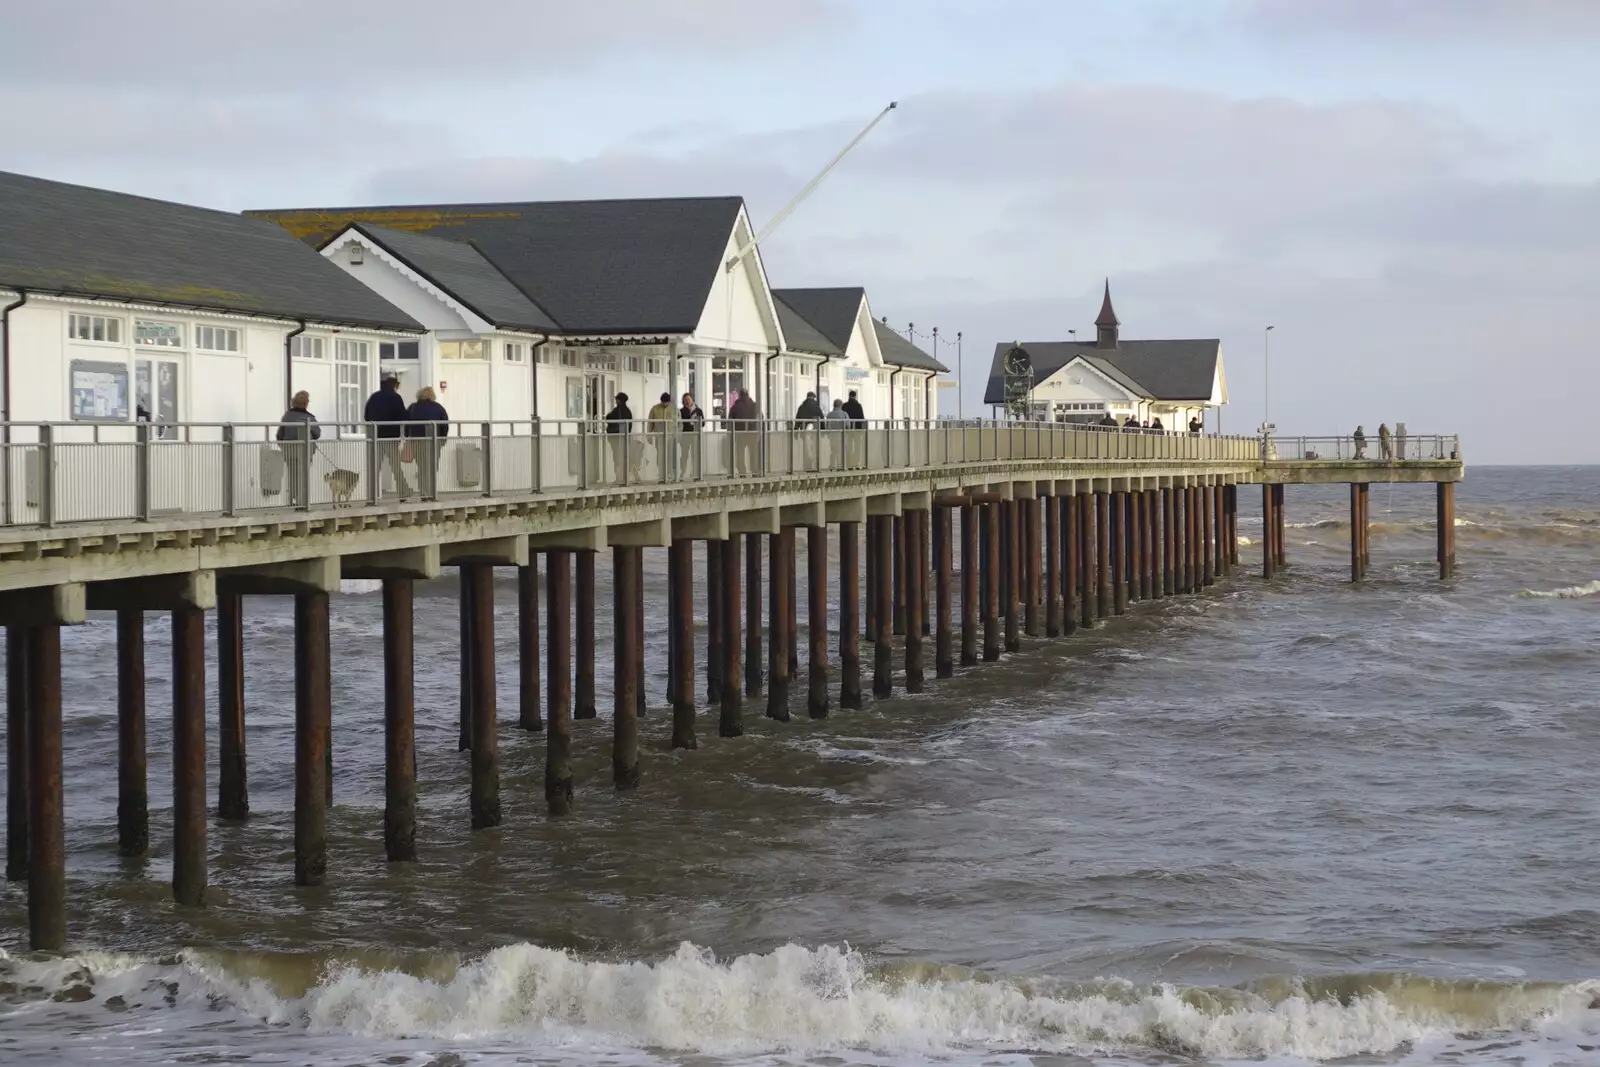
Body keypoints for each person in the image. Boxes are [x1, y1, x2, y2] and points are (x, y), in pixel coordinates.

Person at [364, 373, 411, 499]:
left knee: (374, 467)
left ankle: (371, 496)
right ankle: (403, 492)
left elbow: (366, 416)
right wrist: (405, 434)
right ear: (395, 386)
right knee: (395, 466)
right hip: (390, 436)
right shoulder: (395, 398)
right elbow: (403, 417)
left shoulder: (374, 397)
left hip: (375, 436)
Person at [275, 391, 321, 508]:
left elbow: (280, 434)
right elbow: (317, 433)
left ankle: (292, 499)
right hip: (305, 451)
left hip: (289, 450)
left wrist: (284, 446)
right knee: (303, 475)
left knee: (292, 474)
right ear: (306, 403)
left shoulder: (287, 416)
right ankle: (302, 501)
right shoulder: (309, 418)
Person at [405, 387, 448, 498]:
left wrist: (406, 436)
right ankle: (432, 492)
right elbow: (444, 425)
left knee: (421, 466)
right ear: (432, 395)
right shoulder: (438, 408)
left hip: (416, 441)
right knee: (432, 467)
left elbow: (406, 423)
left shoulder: (413, 407)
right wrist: (443, 439)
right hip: (433, 441)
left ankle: (423, 492)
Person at [604, 392, 637, 482]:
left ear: (619, 400)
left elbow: (608, 418)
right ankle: (634, 476)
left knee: (617, 458)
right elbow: (629, 426)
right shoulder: (628, 411)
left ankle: (619, 477)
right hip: (625, 437)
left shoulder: (616, 411)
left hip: (616, 438)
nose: (616, 401)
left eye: (617, 399)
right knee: (627, 457)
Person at [728, 387, 761, 475]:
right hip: (753, 433)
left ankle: (742, 471)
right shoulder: (755, 405)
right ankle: (755, 470)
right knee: (753, 452)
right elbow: (761, 418)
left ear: (739, 395)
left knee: (740, 452)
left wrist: (730, 433)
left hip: (740, 433)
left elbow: (730, 420)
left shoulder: (735, 407)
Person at [646, 392, 677, 482]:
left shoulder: (674, 409)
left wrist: (678, 435)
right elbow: (650, 423)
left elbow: (679, 423)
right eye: (663, 402)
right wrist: (649, 435)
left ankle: (670, 475)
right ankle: (661, 476)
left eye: (666, 402)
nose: (665, 404)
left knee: (670, 457)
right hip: (659, 437)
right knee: (660, 457)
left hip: (671, 437)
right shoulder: (655, 409)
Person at [795, 390, 824, 468]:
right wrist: (823, 430)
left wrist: (795, 431)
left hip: (804, 431)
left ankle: (807, 466)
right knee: (815, 447)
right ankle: (816, 465)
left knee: (806, 448)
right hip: (815, 431)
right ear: (814, 398)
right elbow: (822, 418)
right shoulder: (817, 407)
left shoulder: (801, 407)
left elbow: (797, 419)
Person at [679, 392, 704, 477]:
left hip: (695, 435)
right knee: (684, 455)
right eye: (685, 400)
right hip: (685, 435)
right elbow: (679, 424)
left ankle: (695, 472)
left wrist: (697, 422)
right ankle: (683, 472)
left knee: (695, 454)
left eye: (688, 399)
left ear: (692, 399)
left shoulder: (698, 410)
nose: (687, 401)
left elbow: (703, 423)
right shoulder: (681, 411)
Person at [841, 389, 866, 469]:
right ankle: (856, 463)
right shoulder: (858, 406)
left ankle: (848, 464)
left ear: (849, 396)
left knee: (848, 447)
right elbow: (862, 418)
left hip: (847, 430)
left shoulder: (844, 406)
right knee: (857, 447)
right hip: (857, 430)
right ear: (855, 396)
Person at [825, 398, 850, 469]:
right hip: (842, 435)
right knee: (841, 451)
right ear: (841, 405)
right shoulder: (844, 414)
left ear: (834, 405)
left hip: (832, 436)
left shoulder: (829, 415)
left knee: (833, 451)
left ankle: (832, 466)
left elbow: (827, 426)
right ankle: (841, 466)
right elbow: (848, 425)